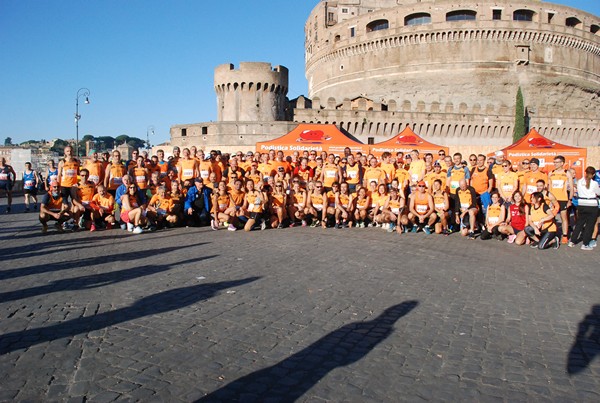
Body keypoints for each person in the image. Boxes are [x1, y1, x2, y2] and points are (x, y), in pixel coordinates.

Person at [569, 166, 600, 250]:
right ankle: (585, 244)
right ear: (593, 174)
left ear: (585, 172)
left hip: (581, 204)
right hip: (592, 205)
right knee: (590, 225)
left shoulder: (579, 182)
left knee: (579, 223)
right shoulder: (594, 183)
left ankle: (572, 241)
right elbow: (598, 193)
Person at [548, 155, 574, 244]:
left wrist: (570, 199)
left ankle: (565, 235)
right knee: (552, 217)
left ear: (562, 163)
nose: (555, 164)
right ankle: (553, 234)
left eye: (557, 162)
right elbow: (549, 187)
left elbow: (571, 187)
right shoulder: (551, 173)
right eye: (554, 162)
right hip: (553, 199)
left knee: (564, 218)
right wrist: (548, 199)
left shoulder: (567, 173)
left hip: (563, 199)